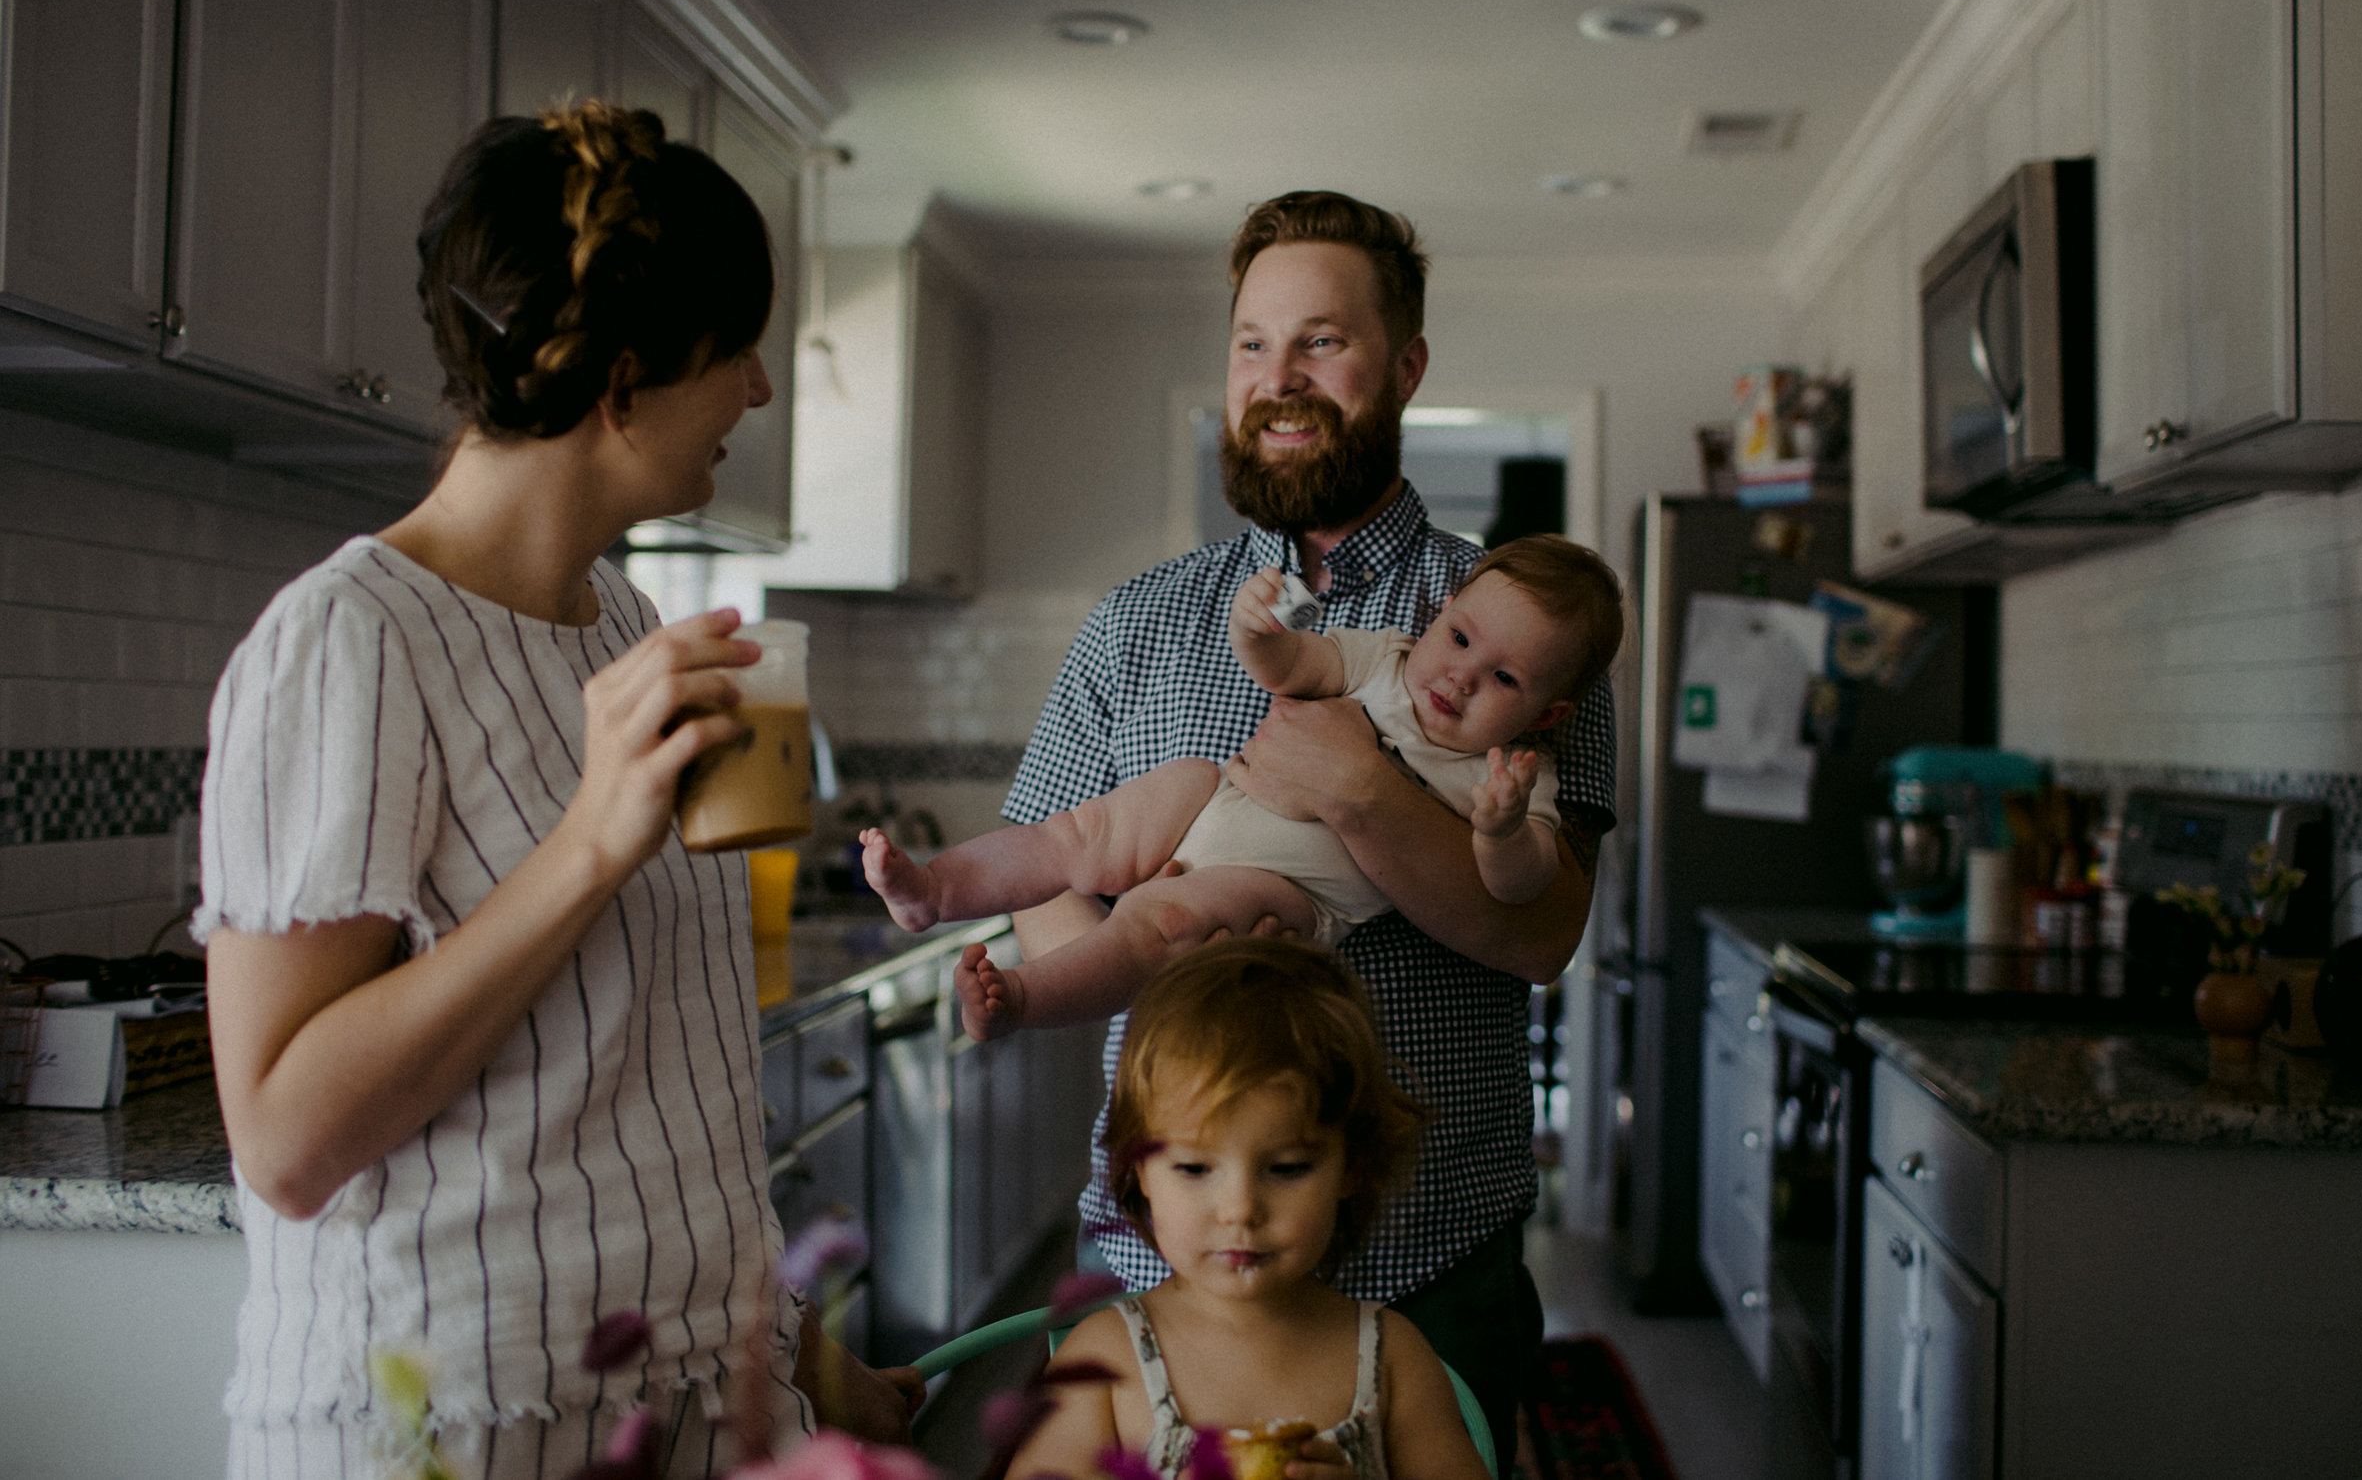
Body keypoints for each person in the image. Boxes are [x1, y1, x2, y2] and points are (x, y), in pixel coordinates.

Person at [193, 102, 919, 1480]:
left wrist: (807, 1359)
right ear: (625, 379)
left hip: (682, 1405)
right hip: (456, 1422)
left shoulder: (628, 619)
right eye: (740, 351)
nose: (758, 393)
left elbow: (659, 1084)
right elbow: (286, 1139)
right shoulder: (348, 638)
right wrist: (587, 842)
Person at [1001, 191, 1617, 1464]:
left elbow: (1545, 928)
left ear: (1406, 366)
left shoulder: (1515, 632)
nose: (1276, 379)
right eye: (1250, 343)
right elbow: (1050, 880)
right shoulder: (1138, 621)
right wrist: (1165, 964)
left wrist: (1357, 789)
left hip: (1427, 1251)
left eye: (1320, 342)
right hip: (1157, 1259)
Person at [858, 537, 1623, 1043]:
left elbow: (1527, 898)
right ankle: (937, 888)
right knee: (1076, 838)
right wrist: (1257, 631)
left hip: (1288, 895)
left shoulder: (1516, 774)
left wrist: (1497, 829)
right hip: (1213, 801)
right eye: (1458, 639)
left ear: (1547, 711)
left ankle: (1021, 1001)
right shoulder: (1385, 656)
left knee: (1159, 919)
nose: (1460, 675)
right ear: (1441, 618)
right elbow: (1294, 667)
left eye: (1505, 679)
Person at [1007, 937, 1487, 1480]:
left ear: (1350, 1166)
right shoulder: (1107, 1360)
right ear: (1138, 1168)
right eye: (1193, 1169)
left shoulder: (1391, 1358)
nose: (1240, 1210)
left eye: (1286, 1169)